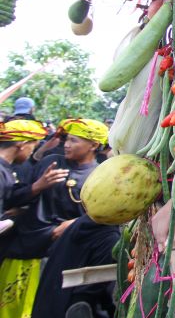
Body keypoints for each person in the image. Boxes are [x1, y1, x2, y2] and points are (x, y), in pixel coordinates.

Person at [0, 118, 109, 318]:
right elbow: (13, 199)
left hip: (62, 254)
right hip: (26, 248)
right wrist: (37, 186)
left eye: (74, 140)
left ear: (94, 145)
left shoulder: (100, 175)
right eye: (67, 139)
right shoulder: (50, 162)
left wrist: (75, 223)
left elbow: (104, 217)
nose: (66, 144)